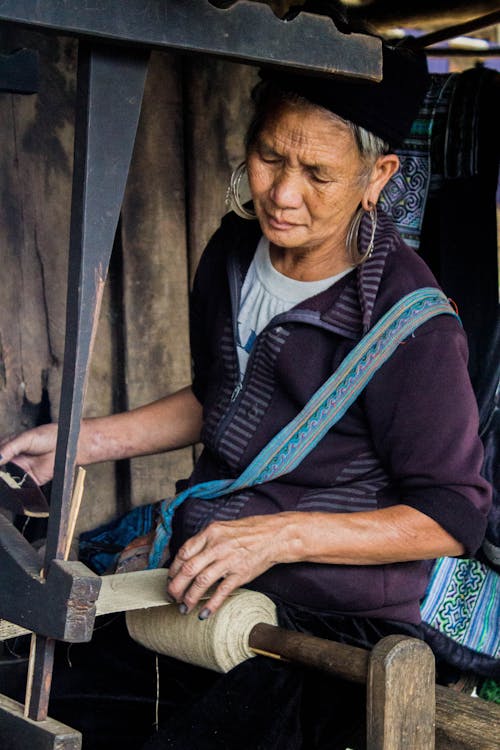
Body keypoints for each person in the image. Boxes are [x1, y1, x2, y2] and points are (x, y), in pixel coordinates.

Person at [0, 40, 491, 750]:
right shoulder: (233, 252)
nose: (283, 195)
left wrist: (283, 534)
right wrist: (83, 441)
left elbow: (453, 515)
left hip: (330, 630)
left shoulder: (411, 325)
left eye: (318, 172)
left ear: (377, 174)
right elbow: (221, 397)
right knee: (34, 705)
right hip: (205, 588)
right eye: (270, 157)